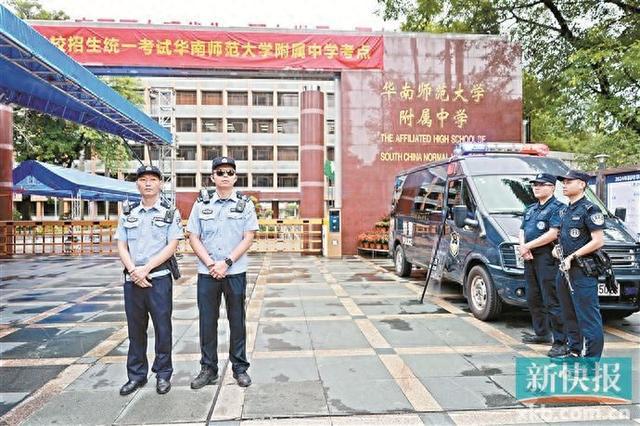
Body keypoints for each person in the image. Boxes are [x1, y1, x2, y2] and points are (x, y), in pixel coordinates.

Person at [187, 156, 259, 388]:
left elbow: (248, 237)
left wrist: (226, 263)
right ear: (212, 177)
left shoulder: (245, 204)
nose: (225, 176)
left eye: (229, 172)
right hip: (207, 273)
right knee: (207, 322)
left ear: (235, 177)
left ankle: (240, 368)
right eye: (220, 172)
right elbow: (193, 236)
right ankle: (208, 369)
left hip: (235, 271)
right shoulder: (201, 203)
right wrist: (211, 264)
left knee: (237, 320)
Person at [115, 165, 183, 395]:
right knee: (135, 330)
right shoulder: (128, 213)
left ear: (160, 184)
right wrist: (134, 270)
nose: (148, 183)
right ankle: (136, 375)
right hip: (132, 279)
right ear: (137, 184)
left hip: (159, 279)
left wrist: (146, 269)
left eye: (153, 179)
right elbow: (122, 245)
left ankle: (163, 374)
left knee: (163, 329)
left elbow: (172, 246)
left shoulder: (170, 212)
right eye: (143, 179)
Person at [552, 170, 606, 360]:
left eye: (569, 181)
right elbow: (564, 239)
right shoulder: (565, 210)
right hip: (564, 270)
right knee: (569, 314)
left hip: (582, 270)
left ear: (582, 184)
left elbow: (598, 241)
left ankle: (591, 361)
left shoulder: (590, 209)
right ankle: (574, 351)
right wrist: (557, 250)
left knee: (588, 318)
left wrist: (572, 257)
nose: (564, 185)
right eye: (563, 182)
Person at [518, 173, 568, 357]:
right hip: (530, 257)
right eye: (534, 184)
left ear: (552, 187)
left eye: (541, 184)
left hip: (547, 258)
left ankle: (561, 341)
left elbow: (553, 234)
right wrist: (523, 247)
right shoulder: (530, 209)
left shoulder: (558, 208)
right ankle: (542, 333)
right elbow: (522, 230)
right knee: (533, 297)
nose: (536, 187)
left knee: (552, 300)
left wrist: (528, 246)